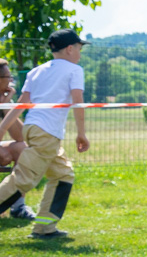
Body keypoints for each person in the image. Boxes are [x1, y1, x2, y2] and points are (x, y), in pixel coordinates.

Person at [0, 29, 91, 239]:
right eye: (79, 48)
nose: (79, 53)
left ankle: (44, 227)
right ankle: (44, 228)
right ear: (70, 49)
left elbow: (22, 103)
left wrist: (4, 127)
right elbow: (78, 102)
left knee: (63, 175)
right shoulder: (74, 70)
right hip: (47, 133)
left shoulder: (36, 71)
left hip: (32, 128)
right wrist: (81, 133)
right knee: (22, 180)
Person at [0, 59, 36, 220]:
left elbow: (20, 136)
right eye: (9, 76)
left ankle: (18, 206)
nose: (12, 81)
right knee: (4, 154)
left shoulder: (4, 99)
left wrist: (6, 105)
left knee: (23, 148)